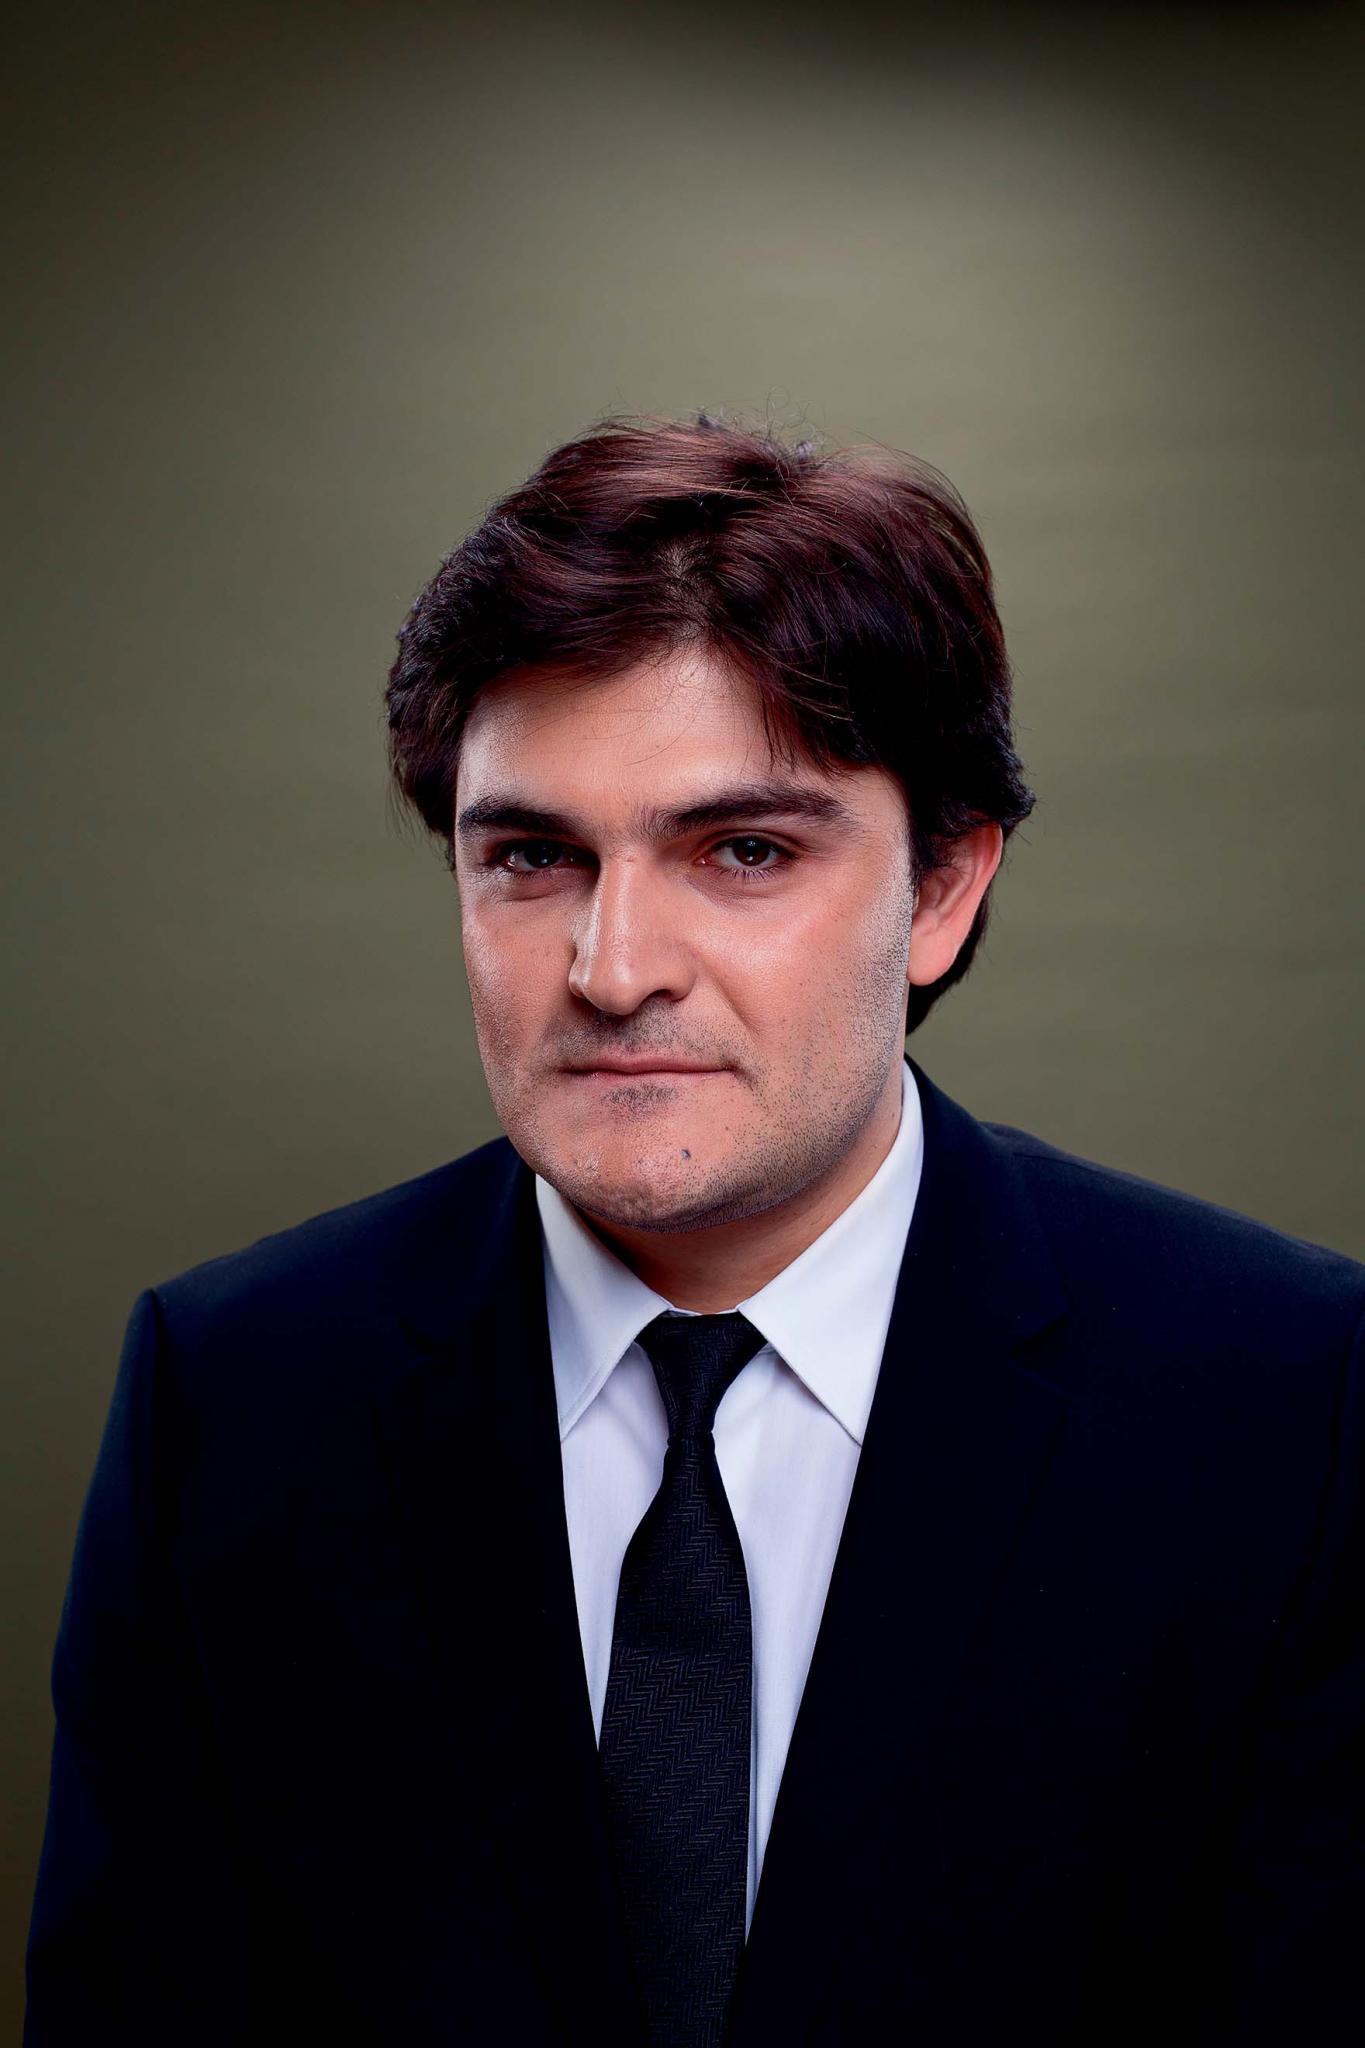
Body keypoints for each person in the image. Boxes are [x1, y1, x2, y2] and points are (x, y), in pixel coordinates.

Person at [26, 413, 1365, 2048]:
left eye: (741, 851)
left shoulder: (1286, 1402)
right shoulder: (233, 1398)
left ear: (943, 886)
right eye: (531, 856)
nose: (612, 969)